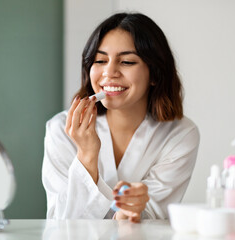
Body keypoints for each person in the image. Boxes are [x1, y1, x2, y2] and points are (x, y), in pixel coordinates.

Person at [42, 12, 200, 223]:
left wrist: (133, 212)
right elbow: (61, 225)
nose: (109, 72)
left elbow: (153, 218)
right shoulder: (60, 130)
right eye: (100, 60)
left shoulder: (179, 135)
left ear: (154, 74)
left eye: (126, 62)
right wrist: (87, 156)